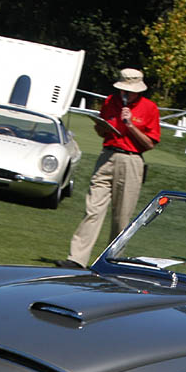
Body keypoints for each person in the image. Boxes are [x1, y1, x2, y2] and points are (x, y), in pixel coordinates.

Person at [56, 68, 160, 268]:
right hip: (107, 156)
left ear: (138, 90)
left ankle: (113, 261)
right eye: (123, 90)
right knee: (92, 208)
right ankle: (77, 259)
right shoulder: (110, 101)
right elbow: (102, 131)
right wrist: (100, 126)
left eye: (129, 91)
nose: (125, 94)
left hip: (132, 160)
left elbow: (149, 143)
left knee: (122, 215)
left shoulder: (150, 108)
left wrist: (130, 125)